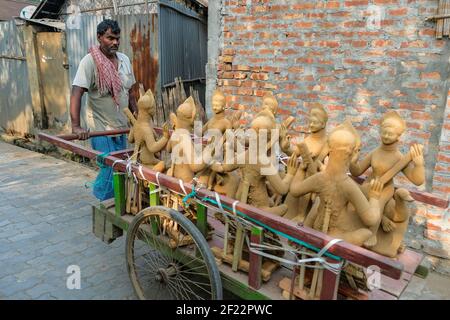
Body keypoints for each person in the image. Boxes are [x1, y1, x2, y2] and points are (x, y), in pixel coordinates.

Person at [70, 19, 138, 200]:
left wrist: (136, 116)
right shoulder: (90, 62)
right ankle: (103, 204)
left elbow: (130, 91)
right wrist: (76, 127)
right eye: (110, 38)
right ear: (99, 37)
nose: (115, 42)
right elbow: (76, 93)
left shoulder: (124, 60)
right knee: (110, 167)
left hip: (121, 126)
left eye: (117, 38)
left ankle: (114, 204)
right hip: (101, 128)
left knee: (122, 166)